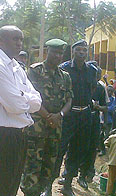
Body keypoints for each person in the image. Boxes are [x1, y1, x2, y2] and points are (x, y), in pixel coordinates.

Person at [0, 25, 42, 196]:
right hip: (1, 136)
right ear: (1, 40)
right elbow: (15, 106)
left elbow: (37, 99)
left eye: (21, 39)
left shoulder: (15, 66)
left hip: (18, 134)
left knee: (11, 188)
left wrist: (21, 96)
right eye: (15, 39)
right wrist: (24, 98)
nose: (19, 43)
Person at [20, 39, 73, 196]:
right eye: (54, 52)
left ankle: (44, 189)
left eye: (60, 53)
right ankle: (29, 193)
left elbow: (69, 99)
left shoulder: (65, 76)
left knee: (49, 164)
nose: (57, 56)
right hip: (37, 127)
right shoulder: (35, 71)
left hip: (55, 128)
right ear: (47, 52)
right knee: (32, 165)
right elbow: (30, 96)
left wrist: (59, 115)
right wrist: (48, 116)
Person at [58, 40, 98, 196]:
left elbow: (92, 88)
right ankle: (48, 184)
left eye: (84, 50)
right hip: (69, 115)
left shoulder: (92, 70)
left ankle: (67, 183)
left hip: (85, 115)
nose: (82, 52)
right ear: (73, 52)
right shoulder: (64, 69)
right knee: (60, 149)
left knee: (78, 149)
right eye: (79, 50)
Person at [83, 67, 108, 183]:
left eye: (98, 75)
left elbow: (106, 107)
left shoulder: (101, 88)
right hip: (81, 119)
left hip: (95, 120)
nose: (96, 77)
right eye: (94, 74)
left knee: (92, 146)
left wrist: (98, 107)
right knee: (80, 145)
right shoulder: (83, 85)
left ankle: (87, 173)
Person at [104, 129, 116, 196]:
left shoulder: (112, 137)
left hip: (112, 162)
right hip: (112, 162)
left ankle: (108, 193)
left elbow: (106, 143)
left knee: (110, 180)